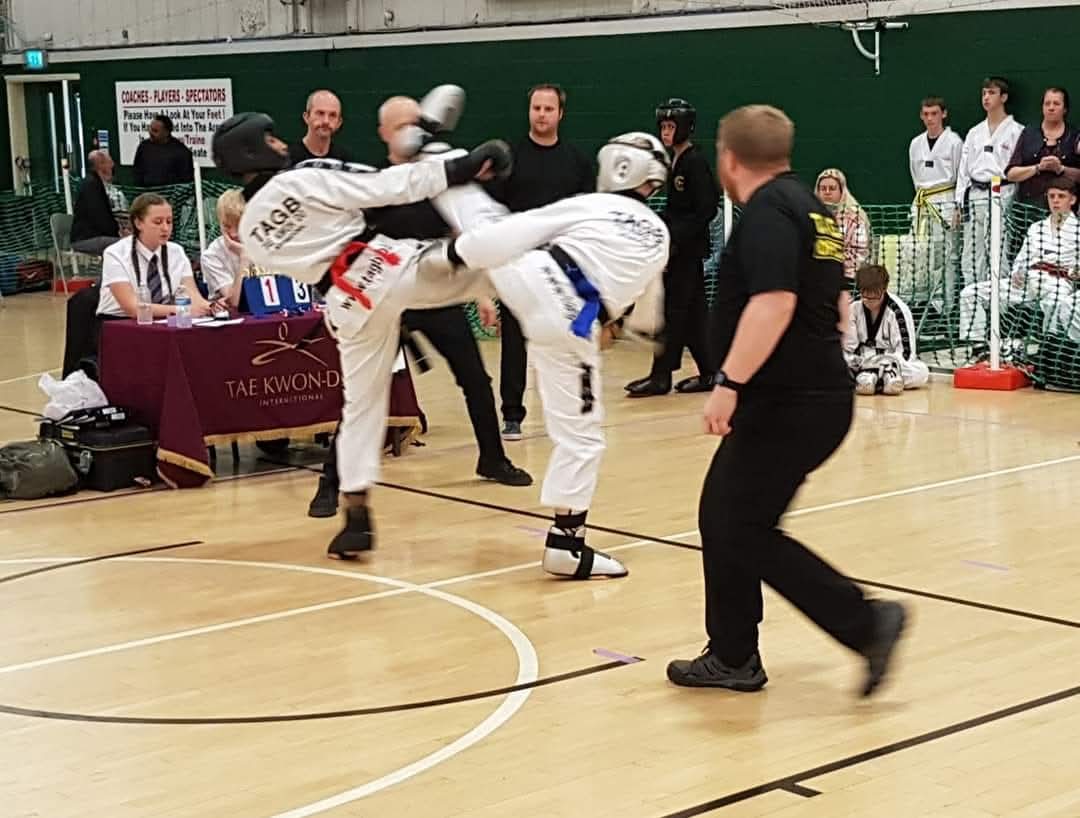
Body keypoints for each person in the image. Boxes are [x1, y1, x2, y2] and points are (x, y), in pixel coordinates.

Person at [665, 105, 907, 697]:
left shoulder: (769, 213)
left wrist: (728, 383)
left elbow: (774, 303)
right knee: (725, 518)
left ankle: (866, 622)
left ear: (728, 159)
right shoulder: (815, 210)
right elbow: (842, 302)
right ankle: (732, 653)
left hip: (790, 402)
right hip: (806, 395)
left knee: (740, 527)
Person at [212, 98, 516, 560]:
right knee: (501, 259)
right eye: (270, 138)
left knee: (361, 407)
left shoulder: (253, 230)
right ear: (252, 153)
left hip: (345, 302)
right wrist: (462, 165)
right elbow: (383, 187)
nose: (280, 143)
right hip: (384, 267)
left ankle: (355, 514)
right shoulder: (302, 177)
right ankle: (595, 298)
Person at [423, 130, 672, 578]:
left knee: (485, 215)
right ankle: (567, 545)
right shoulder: (660, 233)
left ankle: (431, 151)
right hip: (570, 319)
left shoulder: (590, 204)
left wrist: (461, 251)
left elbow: (520, 228)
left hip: (531, 276)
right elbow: (647, 320)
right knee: (581, 435)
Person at [305, 95, 532, 519]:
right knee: (363, 397)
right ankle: (330, 484)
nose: (412, 130)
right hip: (386, 296)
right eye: (401, 124)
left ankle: (493, 458)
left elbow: (464, 235)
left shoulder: (439, 177)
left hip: (435, 290)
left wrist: (481, 293)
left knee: (475, 378)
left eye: (416, 121)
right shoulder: (373, 185)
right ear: (384, 134)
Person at [486, 83, 594, 440]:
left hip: (562, 267)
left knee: (565, 338)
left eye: (549, 109)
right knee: (515, 340)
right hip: (518, 264)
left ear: (560, 114)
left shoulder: (577, 161)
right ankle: (512, 414)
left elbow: (585, 216)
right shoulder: (510, 157)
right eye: (536, 108)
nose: (542, 114)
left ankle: (566, 410)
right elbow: (494, 211)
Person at [626, 98, 720, 397]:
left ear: (685, 128)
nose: (666, 133)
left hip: (686, 251)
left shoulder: (695, 161)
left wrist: (675, 237)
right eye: (663, 127)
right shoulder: (676, 160)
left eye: (671, 127)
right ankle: (709, 372)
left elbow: (706, 208)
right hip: (680, 248)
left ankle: (660, 376)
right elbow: (680, 209)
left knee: (672, 313)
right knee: (693, 315)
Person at [959, 176, 1080, 348]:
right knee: (971, 293)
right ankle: (978, 345)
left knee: (1058, 305)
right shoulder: (1036, 228)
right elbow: (1021, 259)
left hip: (1057, 283)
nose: (1055, 201)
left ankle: (1049, 350)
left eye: (1061, 196)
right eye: (1052, 196)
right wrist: (1017, 272)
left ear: (1072, 199)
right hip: (1026, 281)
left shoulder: (1077, 230)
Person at [955, 78, 1025, 287]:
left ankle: (999, 312)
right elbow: (963, 171)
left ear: (1003, 97)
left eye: (991, 93)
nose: (986, 97)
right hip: (975, 195)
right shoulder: (974, 132)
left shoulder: (1016, 131)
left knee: (998, 251)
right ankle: (975, 311)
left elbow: (1016, 170)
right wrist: (959, 203)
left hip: (1002, 193)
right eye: (984, 93)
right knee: (971, 253)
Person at [97, 193, 211, 319]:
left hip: (165, 319)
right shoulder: (115, 253)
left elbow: (192, 295)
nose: (165, 228)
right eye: (158, 222)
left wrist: (211, 306)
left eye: (169, 221)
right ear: (138, 223)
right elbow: (132, 308)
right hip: (120, 322)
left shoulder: (176, 251)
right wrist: (181, 310)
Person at [844, 264, 929, 395]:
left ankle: (874, 378)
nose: (870, 301)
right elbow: (849, 347)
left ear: (884, 289)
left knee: (921, 373)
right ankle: (877, 379)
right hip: (862, 361)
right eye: (866, 296)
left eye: (875, 297)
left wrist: (882, 364)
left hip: (889, 362)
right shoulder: (854, 308)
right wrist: (862, 362)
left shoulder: (899, 311)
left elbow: (906, 353)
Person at [1005, 87, 1080, 208]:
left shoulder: (1074, 136)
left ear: (1065, 109)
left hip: (1065, 211)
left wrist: (1061, 169)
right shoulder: (1029, 133)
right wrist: (1037, 168)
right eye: (1047, 103)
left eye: (1056, 104)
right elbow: (1011, 174)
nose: (1051, 108)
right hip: (1029, 209)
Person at [908, 96, 963, 239]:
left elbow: (961, 176)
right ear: (921, 116)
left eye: (934, 113)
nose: (930, 118)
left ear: (944, 114)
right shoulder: (915, 143)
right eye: (926, 114)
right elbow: (914, 174)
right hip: (922, 201)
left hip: (946, 202)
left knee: (946, 251)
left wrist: (958, 207)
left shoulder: (954, 142)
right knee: (919, 248)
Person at [815, 168, 870, 280]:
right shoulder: (809, 215)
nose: (827, 192)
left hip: (846, 279)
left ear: (842, 191)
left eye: (832, 188)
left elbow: (859, 255)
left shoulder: (855, 218)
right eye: (823, 189)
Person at [199, 189, 249, 309]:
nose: (233, 234)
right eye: (227, 226)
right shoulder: (211, 256)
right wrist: (244, 257)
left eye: (240, 225)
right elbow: (235, 302)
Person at [71, 150, 123, 255]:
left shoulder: (93, 182)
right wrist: (118, 233)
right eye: (110, 162)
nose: (112, 165)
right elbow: (100, 217)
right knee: (126, 245)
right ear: (101, 164)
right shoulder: (92, 185)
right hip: (86, 239)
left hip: (89, 236)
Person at [288, 90, 352, 165]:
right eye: (320, 113)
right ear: (306, 117)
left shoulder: (345, 163)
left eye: (332, 115)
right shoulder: (288, 158)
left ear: (339, 122)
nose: (326, 121)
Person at [133, 115, 195, 187]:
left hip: (170, 194)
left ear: (166, 132)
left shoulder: (181, 152)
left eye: (155, 131)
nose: (150, 133)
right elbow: (137, 172)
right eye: (150, 129)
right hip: (147, 193)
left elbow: (185, 182)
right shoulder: (143, 147)